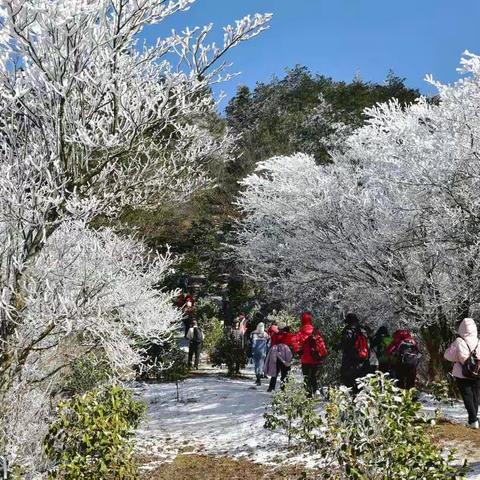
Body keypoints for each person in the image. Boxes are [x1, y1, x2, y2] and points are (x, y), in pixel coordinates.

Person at [444, 318, 480, 429]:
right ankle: (474, 419)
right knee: (476, 396)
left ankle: (473, 420)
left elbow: (448, 356)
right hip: (478, 372)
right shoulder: (478, 341)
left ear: (461, 328)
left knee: (467, 396)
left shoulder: (459, 341)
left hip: (462, 373)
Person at [296, 312, 328, 397]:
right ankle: (316, 389)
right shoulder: (315, 331)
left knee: (306, 377)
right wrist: (324, 354)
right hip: (315, 358)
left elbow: (296, 344)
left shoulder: (300, 332)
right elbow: (321, 343)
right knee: (313, 375)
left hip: (305, 359)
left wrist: (298, 352)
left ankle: (308, 395)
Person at [339, 313, 370, 394]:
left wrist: (337, 346)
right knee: (360, 380)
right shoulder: (364, 330)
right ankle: (361, 397)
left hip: (351, 358)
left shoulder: (349, 330)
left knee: (347, 377)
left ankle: (351, 398)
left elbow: (345, 343)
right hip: (364, 358)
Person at [265, 326, 295, 392]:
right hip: (286, 356)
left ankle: (271, 387)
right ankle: (283, 388)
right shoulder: (289, 335)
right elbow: (293, 344)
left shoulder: (275, 335)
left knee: (275, 372)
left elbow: (272, 343)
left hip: (276, 355)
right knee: (285, 373)